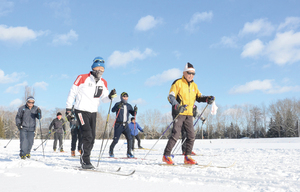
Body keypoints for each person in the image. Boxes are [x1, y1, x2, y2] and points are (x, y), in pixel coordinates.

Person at [66, 56, 117, 169]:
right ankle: (85, 161)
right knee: (87, 135)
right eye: (98, 68)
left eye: (102, 69)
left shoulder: (103, 82)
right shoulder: (82, 78)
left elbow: (104, 99)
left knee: (92, 138)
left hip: (93, 111)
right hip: (81, 110)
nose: (100, 71)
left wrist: (110, 96)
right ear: (93, 68)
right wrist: (68, 109)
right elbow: (72, 93)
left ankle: (86, 157)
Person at [163, 62, 215, 165]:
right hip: (179, 112)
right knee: (176, 134)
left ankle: (187, 157)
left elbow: (199, 97)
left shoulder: (194, 85)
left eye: (193, 73)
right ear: (184, 73)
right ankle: (166, 155)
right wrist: (177, 106)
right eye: (189, 73)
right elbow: (171, 97)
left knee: (191, 136)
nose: (191, 75)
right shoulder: (177, 83)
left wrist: (207, 98)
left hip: (189, 114)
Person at [109, 92, 137, 158]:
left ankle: (129, 152)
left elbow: (133, 114)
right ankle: (111, 151)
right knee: (116, 140)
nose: (125, 98)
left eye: (126, 96)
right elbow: (112, 110)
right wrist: (117, 107)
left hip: (125, 125)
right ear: (121, 97)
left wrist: (135, 111)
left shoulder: (129, 106)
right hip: (118, 125)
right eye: (124, 96)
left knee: (130, 139)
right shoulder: (118, 104)